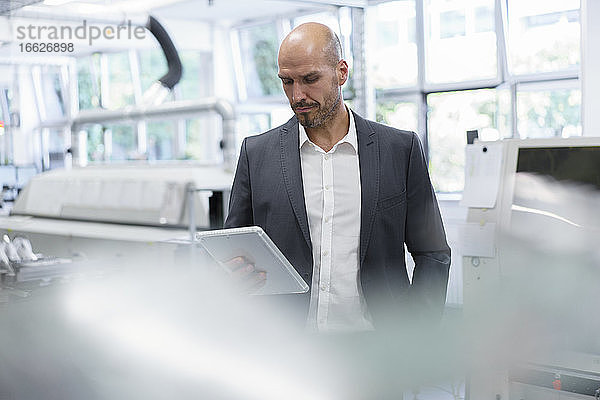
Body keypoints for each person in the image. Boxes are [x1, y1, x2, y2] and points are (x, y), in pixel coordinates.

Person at [224, 22, 450, 332]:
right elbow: (233, 252)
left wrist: (416, 333)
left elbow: (433, 252)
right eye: (287, 82)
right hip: (288, 350)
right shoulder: (257, 153)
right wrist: (235, 275)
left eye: (310, 79)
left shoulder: (400, 149)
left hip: (378, 346)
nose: (297, 95)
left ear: (341, 72)